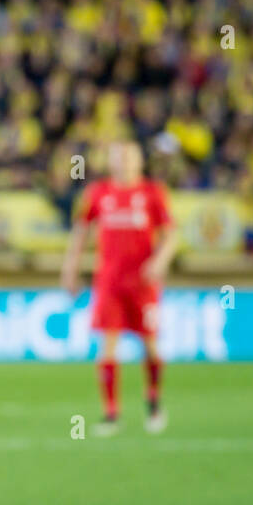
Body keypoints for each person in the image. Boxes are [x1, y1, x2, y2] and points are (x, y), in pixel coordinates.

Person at [61, 140, 177, 434]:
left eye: (129, 157)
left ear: (139, 161)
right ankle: (111, 413)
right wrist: (70, 269)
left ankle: (153, 400)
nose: (124, 162)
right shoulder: (98, 193)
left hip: (142, 284)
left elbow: (171, 235)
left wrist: (160, 261)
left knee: (150, 345)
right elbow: (80, 232)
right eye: (118, 157)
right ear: (110, 162)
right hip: (109, 283)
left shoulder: (152, 193)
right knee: (107, 346)